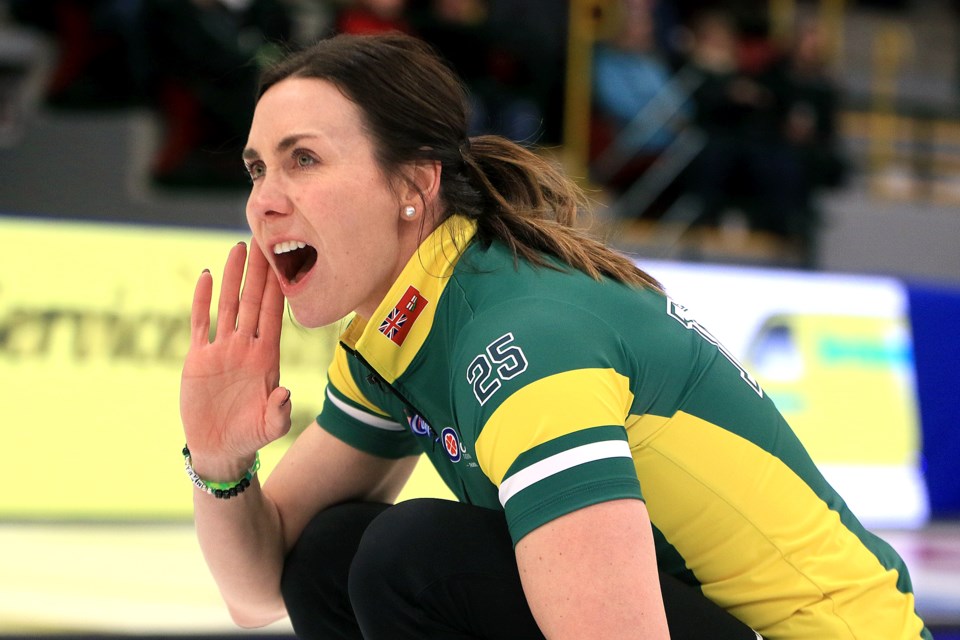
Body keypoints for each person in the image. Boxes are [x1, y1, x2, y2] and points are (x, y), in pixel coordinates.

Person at [179, 33, 932, 639]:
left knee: (411, 559)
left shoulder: (521, 346)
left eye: (302, 160)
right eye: (255, 170)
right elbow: (260, 591)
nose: (263, 203)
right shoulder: (400, 329)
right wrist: (219, 464)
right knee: (327, 558)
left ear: (414, 185)